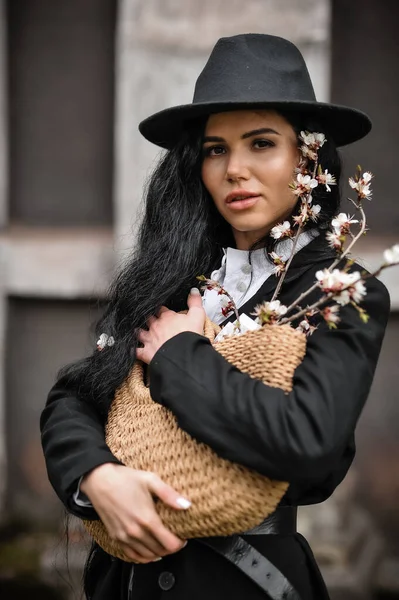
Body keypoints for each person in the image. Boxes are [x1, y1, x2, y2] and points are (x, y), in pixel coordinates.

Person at [40, 34, 390, 600]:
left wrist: (179, 356)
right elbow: (74, 397)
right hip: (125, 583)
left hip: (247, 582)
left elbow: (308, 446)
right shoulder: (170, 275)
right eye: (214, 149)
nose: (234, 169)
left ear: (307, 158)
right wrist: (94, 478)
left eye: (260, 143)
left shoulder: (341, 292)